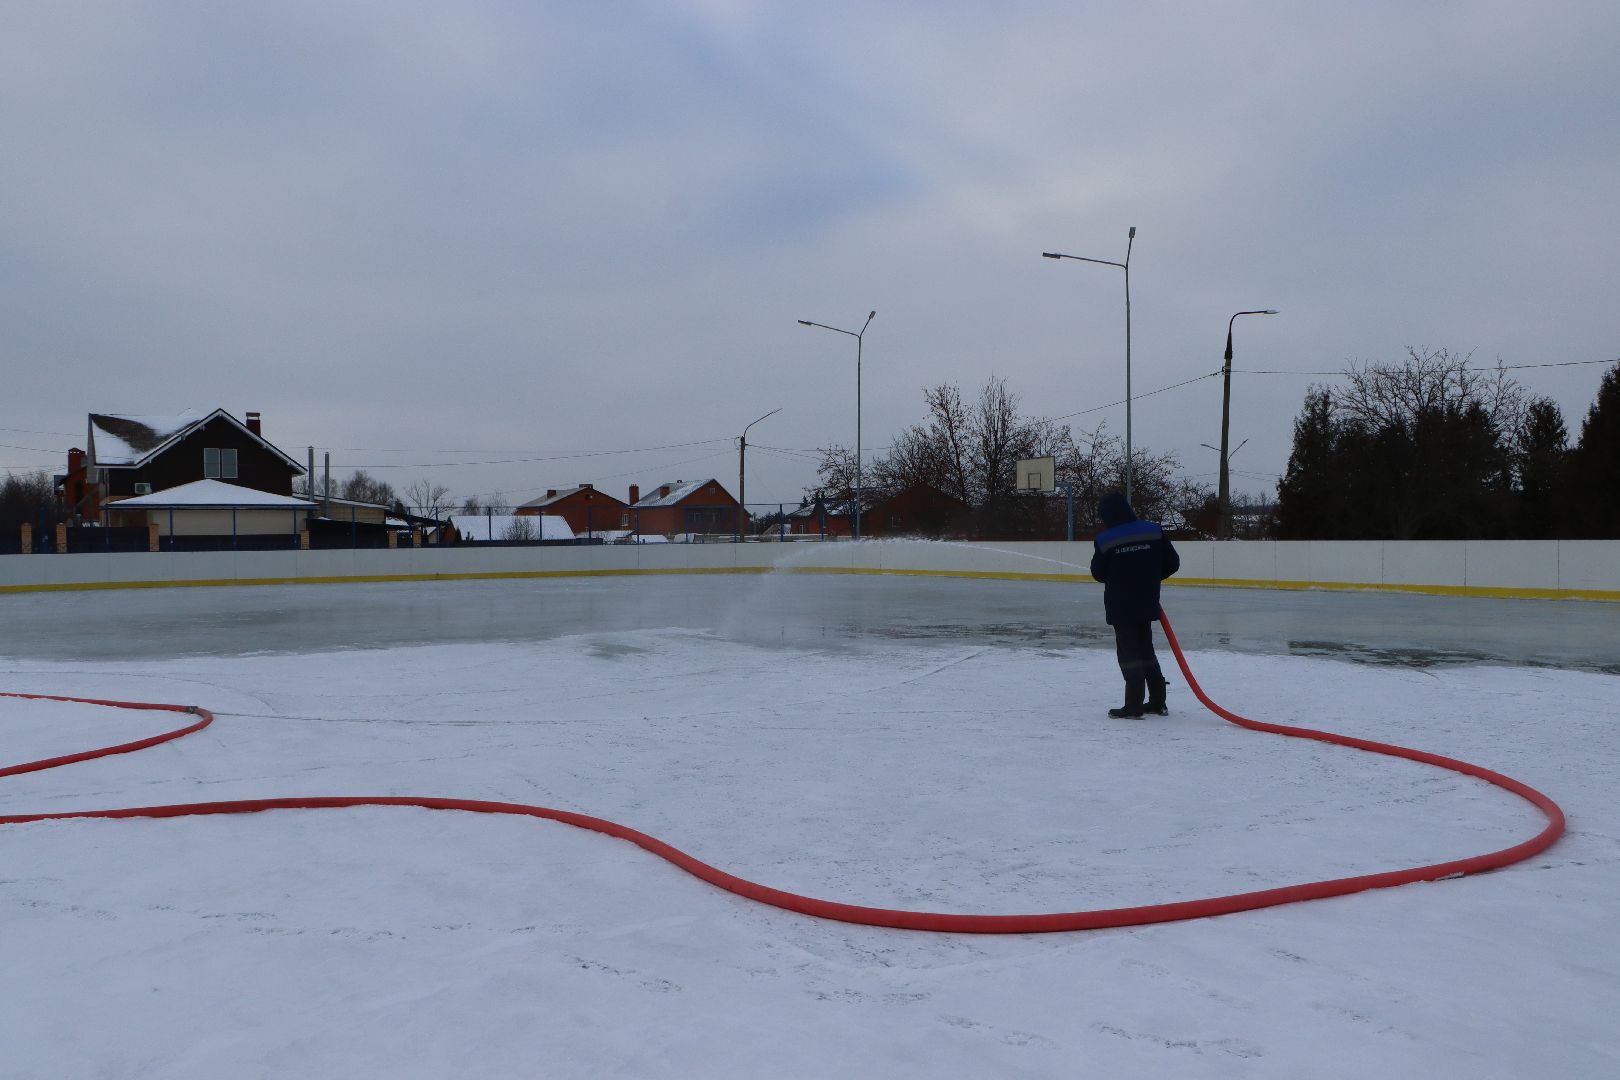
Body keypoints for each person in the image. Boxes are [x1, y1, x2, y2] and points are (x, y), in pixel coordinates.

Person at [1089, 491, 1180, 718]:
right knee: (1146, 650)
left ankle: (1133, 706)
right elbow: (1173, 563)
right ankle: (1158, 702)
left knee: (1129, 654)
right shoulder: (1153, 530)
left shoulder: (1106, 539)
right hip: (1147, 601)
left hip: (1121, 605)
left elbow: (1098, 573)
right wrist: (1149, 579)